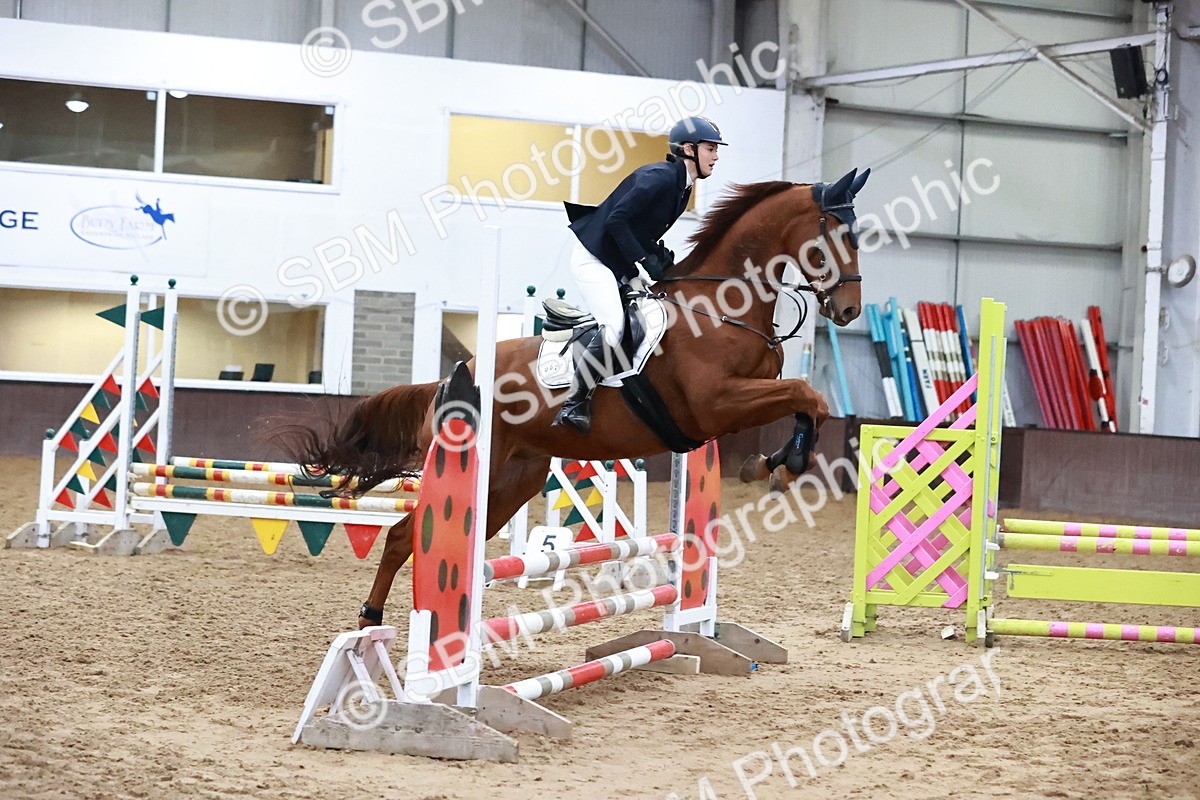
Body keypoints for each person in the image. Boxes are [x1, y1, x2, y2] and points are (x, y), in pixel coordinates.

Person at [552, 116, 727, 433]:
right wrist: (644, 259)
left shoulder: (680, 187)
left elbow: (636, 227)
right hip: (594, 259)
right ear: (689, 149)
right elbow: (617, 221)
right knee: (615, 327)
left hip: (617, 262)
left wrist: (655, 256)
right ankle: (573, 403)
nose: (716, 156)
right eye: (711, 148)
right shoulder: (659, 178)